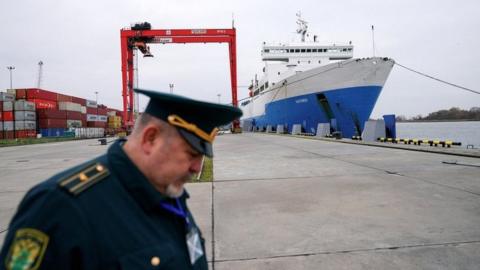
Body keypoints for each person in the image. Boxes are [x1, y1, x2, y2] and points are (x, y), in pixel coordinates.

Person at [0, 88, 242, 270]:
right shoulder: (58, 208)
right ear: (150, 139)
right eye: (191, 154)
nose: (197, 167)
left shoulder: (169, 194)